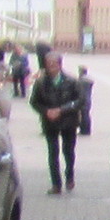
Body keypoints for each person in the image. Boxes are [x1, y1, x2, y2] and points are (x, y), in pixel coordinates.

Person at [29, 50, 81, 194]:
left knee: (68, 151)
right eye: (48, 64)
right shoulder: (41, 83)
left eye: (54, 64)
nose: (51, 67)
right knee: (53, 152)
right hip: (50, 122)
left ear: (59, 65)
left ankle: (69, 177)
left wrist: (61, 110)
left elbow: (80, 101)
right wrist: (46, 111)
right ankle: (56, 184)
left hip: (68, 121)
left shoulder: (71, 81)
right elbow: (34, 102)